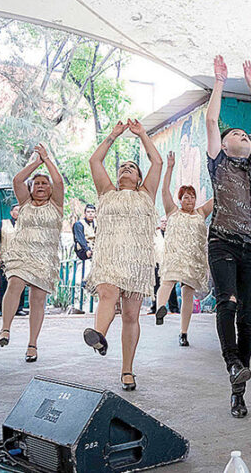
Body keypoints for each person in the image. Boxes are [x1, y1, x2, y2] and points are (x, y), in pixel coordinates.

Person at [205, 56, 251, 418]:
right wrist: (220, 82)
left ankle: (238, 390)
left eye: (245, 135)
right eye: (236, 134)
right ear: (223, 143)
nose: (243, 136)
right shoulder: (218, 162)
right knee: (228, 303)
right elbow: (211, 120)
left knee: (247, 317)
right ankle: (232, 362)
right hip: (222, 242)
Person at [82, 119, 163, 391]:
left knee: (130, 316)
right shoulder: (107, 192)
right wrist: (114, 134)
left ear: (139, 178)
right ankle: (99, 336)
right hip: (109, 256)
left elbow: (157, 162)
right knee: (107, 292)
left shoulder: (146, 194)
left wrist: (142, 134)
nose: (126, 168)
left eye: (132, 167)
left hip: (137, 261)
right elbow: (95, 161)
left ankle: (127, 370)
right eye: (122, 167)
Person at [0, 143, 64, 364]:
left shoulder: (56, 205)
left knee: (38, 299)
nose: (41, 186)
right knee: (15, 283)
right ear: (31, 188)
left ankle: (32, 344)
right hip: (22, 253)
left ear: (51, 189)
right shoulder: (25, 203)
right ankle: (5, 329)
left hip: (45, 258)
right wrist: (37, 162)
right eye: (37, 183)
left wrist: (48, 160)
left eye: (45, 183)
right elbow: (17, 180)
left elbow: (59, 182)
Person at [156, 151, 214, 347]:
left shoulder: (201, 212)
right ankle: (160, 309)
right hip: (175, 256)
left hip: (193, 259)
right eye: (186, 197)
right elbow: (164, 190)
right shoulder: (172, 211)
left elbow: (217, 198)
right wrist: (170, 167)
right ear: (180, 199)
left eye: (192, 197)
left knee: (188, 292)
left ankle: (183, 332)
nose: (189, 200)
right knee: (168, 281)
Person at [0, 205, 26, 317]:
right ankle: (2, 308)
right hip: (5, 260)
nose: (19, 212)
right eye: (16, 210)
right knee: (4, 284)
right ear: (11, 212)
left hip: (21, 260)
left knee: (20, 284)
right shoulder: (2, 224)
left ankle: (18, 308)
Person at [150, 217, 179, 321]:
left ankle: (174, 307)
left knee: (170, 286)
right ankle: (155, 307)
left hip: (169, 263)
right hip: (157, 262)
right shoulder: (155, 234)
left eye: (166, 222)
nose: (164, 223)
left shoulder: (173, 234)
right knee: (156, 285)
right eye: (162, 222)